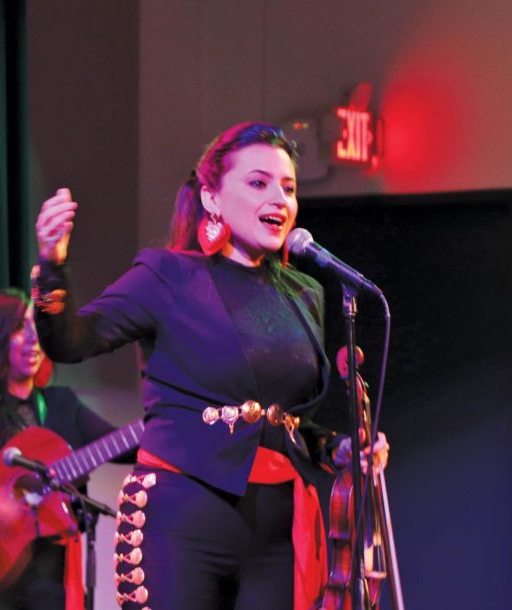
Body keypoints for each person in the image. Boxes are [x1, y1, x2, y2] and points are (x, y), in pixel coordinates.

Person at [32, 121, 390, 610]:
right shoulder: (167, 276)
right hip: (184, 515)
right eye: (259, 183)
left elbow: (285, 420)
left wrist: (340, 449)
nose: (279, 200)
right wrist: (52, 265)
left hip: (277, 528)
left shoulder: (304, 293)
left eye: (288, 188)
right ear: (213, 199)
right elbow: (71, 341)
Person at [0, 288, 136, 610]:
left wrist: (175, 419)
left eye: (36, 328)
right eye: (18, 328)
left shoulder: (61, 403)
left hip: (48, 575)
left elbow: (126, 445)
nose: (33, 339)